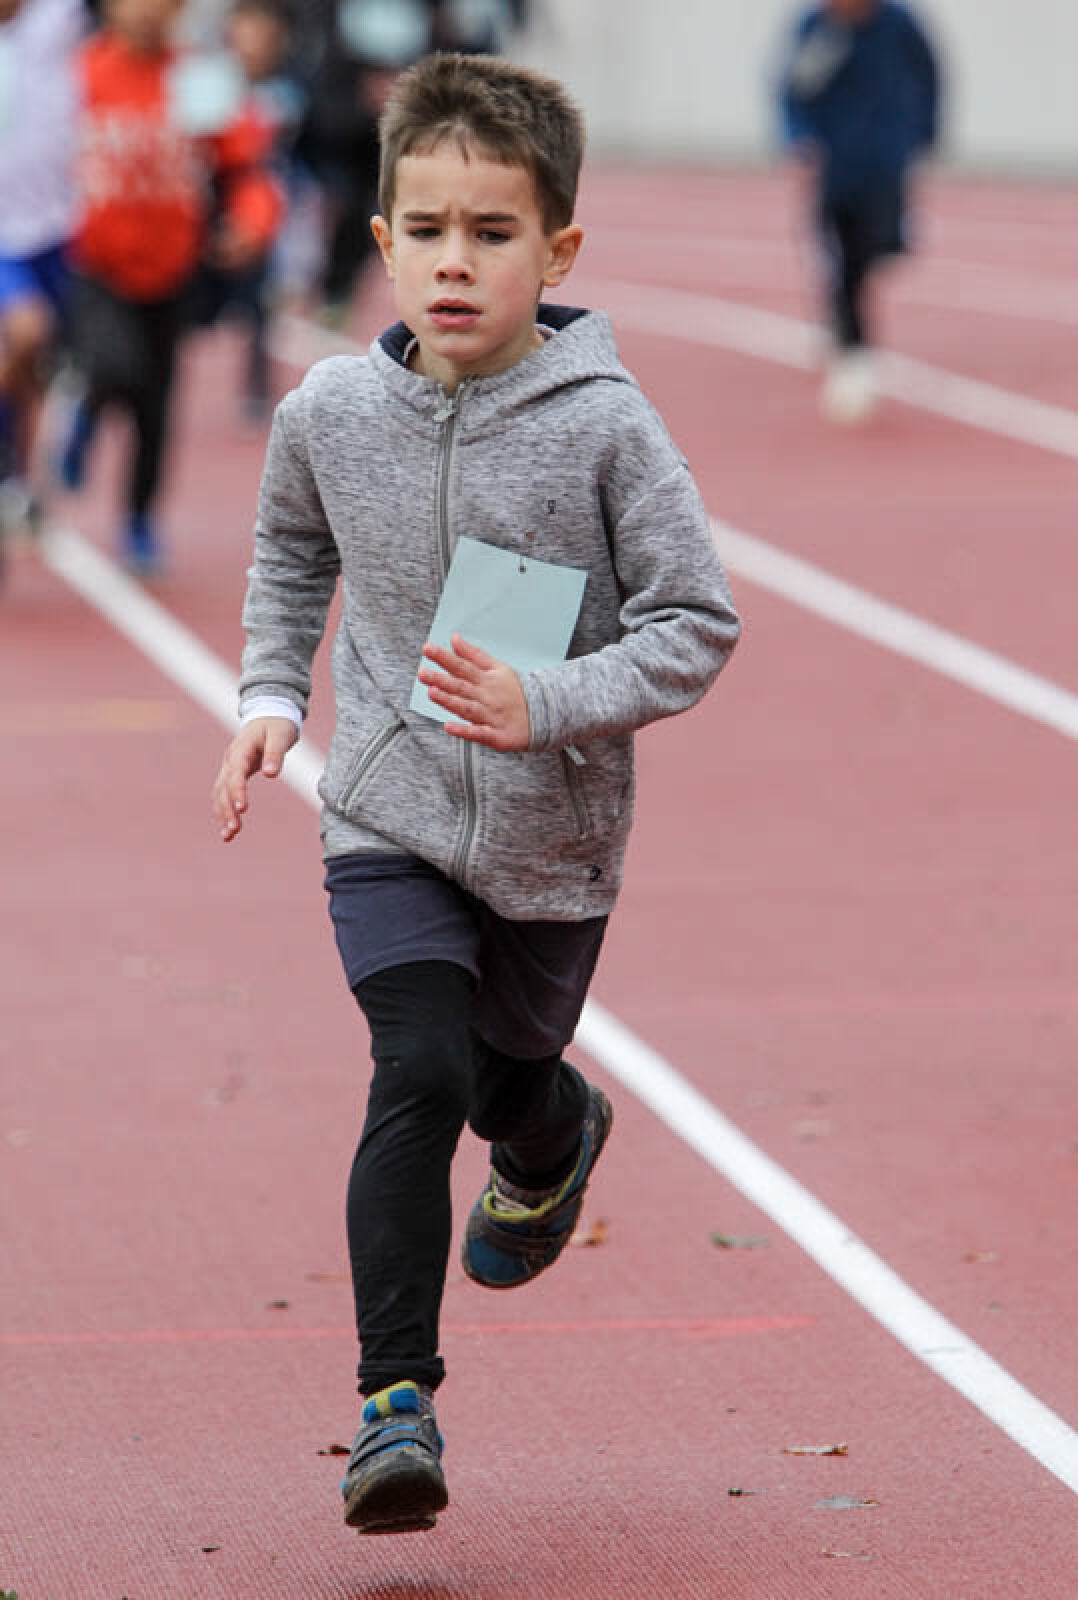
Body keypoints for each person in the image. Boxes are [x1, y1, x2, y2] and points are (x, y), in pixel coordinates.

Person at [211, 51, 741, 1536]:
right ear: (382, 242)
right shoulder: (329, 410)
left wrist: (544, 702)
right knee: (417, 1068)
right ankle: (394, 1403)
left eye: (492, 233)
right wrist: (268, 700)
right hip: (383, 811)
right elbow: (290, 553)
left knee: (500, 1075)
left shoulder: (606, 427)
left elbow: (695, 622)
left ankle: (551, 1125)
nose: (456, 262)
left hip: (547, 837)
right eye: (429, 231)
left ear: (555, 251)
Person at [59, 0, 282, 572]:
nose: (149, 11)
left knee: (155, 405)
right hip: (96, 265)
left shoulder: (198, 77)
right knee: (116, 366)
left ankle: (139, 518)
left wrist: (250, 225)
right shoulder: (79, 73)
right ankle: (85, 414)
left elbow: (246, 170)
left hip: (172, 269)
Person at [777, 0, 940, 422]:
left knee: (881, 247)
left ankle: (849, 311)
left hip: (887, 160)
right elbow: (793, 87)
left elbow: (929, 74)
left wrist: (925, 131)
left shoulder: (898, 24)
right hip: (836, 164)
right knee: (843, 255)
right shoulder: (818, 27)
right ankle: (854, 349)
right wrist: (798, 135)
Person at [0, 0, 88, 553]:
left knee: (43, 367)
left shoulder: (61, 18)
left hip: (62, 226)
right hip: (3, 236)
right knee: (24, 334)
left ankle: (23, 472)